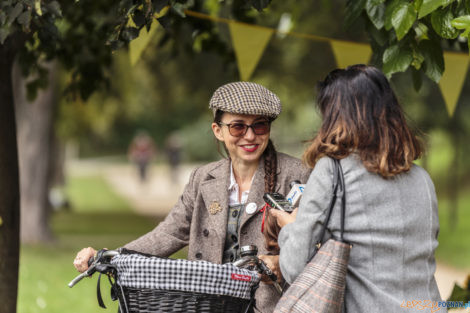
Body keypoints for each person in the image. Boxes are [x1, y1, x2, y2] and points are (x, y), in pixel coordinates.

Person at [73, 82, 311, 312]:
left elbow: (319, 241)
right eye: (238, 126)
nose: (249, 136)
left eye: (259, 126)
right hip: (207, 304)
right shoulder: (202, 178)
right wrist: (113, 255)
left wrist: (282, 263)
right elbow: (169, 232)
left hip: (273, 306)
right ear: (218, 130)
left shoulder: (297, 175)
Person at [270, 65, 444, 312]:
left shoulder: (332, 170)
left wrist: (289, 228)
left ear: (336, 115)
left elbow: (294, 267)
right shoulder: (423, 179)